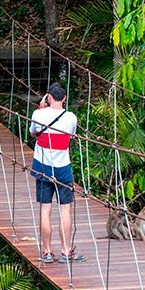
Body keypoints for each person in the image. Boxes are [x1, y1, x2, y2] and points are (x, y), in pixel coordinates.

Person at [29, 82, 86, 264]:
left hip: (43, 166)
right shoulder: (71, 117)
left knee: (45, 209)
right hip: (63, 168)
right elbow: (72, 136)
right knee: (65, 209)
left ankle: (47, 251)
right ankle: (66, 251)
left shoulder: (38, 114)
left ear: (49, 97)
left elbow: (33, 133)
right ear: (65, 99)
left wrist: (42, 107)